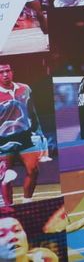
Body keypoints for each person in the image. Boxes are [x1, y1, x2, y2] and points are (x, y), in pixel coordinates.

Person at [0, 63, 44, 203]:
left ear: (12, 72)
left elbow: (33, 112)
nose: (5, 74)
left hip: (25, 137)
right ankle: (9, 207)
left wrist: (40, 132)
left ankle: (27, 202)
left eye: (7, 71)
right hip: (3, 141)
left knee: (34, 170)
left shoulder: (25, 89)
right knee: (5, 177)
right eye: (1, 72)